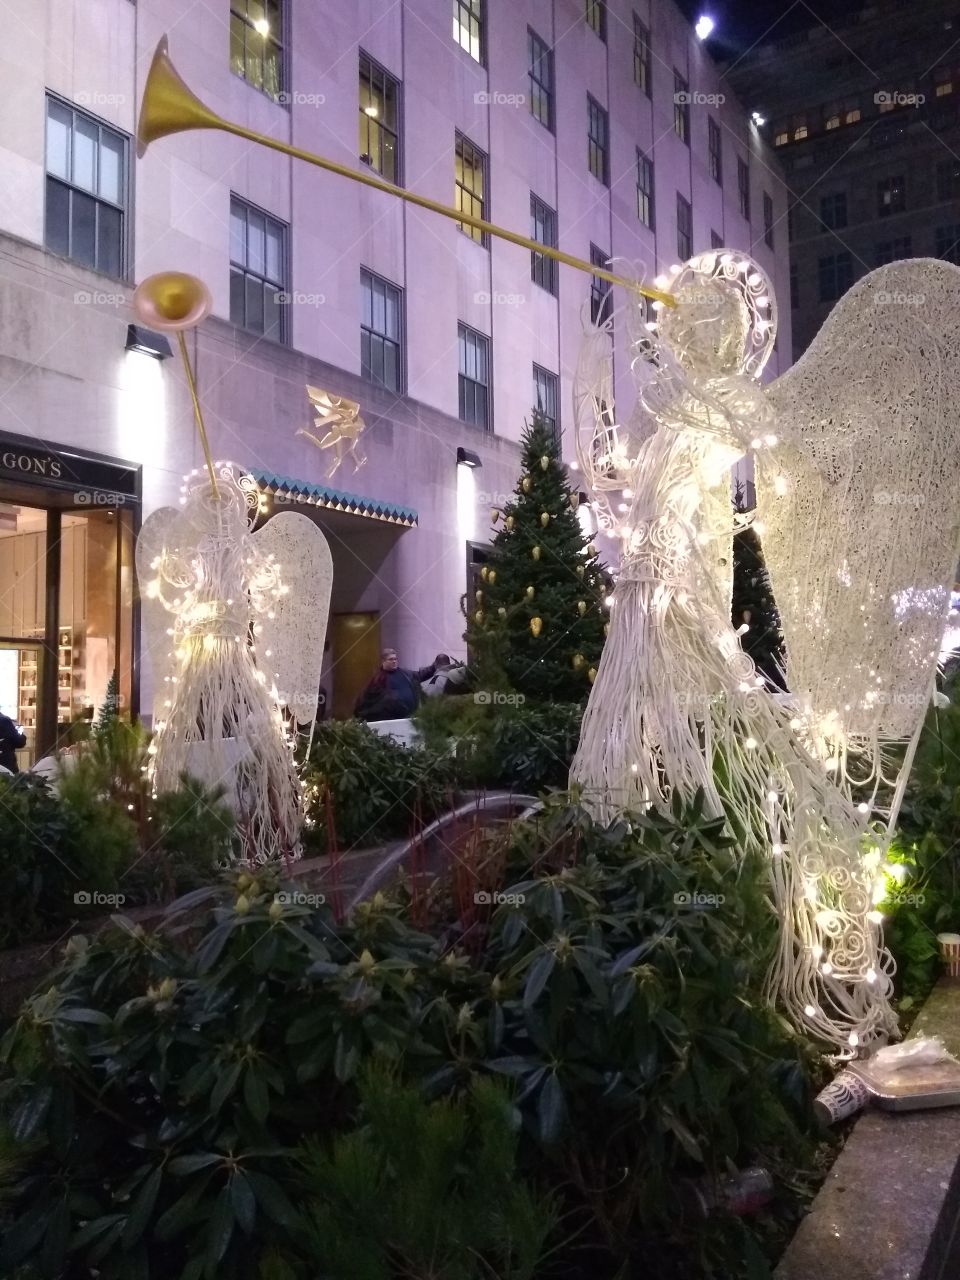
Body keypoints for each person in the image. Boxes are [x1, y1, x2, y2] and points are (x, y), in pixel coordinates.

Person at [353, 649, 436, 722]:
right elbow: (366, 701)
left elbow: (419, 675)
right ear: (383, 661)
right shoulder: (378, 680)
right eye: (391, 659)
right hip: (392, 720)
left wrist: (433, 667)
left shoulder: (405, 673)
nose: (394, 661)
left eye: (395, 659)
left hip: (410, 718)